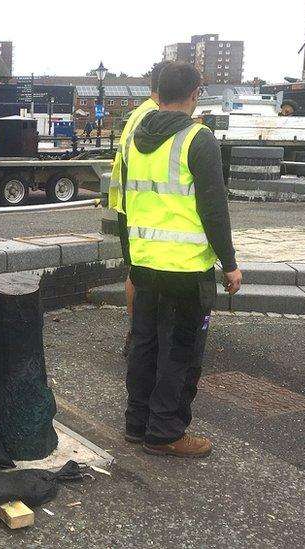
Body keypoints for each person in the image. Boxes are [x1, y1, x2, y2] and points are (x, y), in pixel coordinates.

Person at [119, 62, 242, 458]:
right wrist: (229, 263)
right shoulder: (197, 139)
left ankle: (137, 424)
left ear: (156, 92)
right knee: (180, 353)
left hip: (145, 264)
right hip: (186, 269)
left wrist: (131, 259)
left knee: (145, 347)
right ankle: (166, 432)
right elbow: (214, 209)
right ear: (194, 94)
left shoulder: (136, 137)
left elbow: (126, 202)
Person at [111, 60, 171, 356]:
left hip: (130, 206)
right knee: (138, 273)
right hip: (138, 209)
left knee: (137, 271)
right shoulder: (152, 116)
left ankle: (138, 332)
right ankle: (137, 335)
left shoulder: (141, 112)